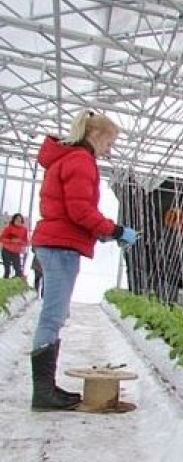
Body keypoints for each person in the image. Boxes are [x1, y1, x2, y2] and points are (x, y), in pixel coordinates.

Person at [30, 109, 139, 410]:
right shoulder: (81, 161)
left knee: (55, 314)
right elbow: (79, 211)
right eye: (110, 141)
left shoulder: (68, 158)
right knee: (53, 316)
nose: (110, 148)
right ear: (95, 135)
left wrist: (104, 233)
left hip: (57, 241)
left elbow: (71, 211)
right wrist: (115, 230)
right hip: (60, 245)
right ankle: (43, 392)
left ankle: (46, 388)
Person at [2, 212, 29, 279]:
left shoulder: (24, 230)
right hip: (6, 251)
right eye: (16, 219)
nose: (18, 221)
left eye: (20, 219)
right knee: (7, 270)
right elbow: (1, 238)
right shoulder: (8, 228)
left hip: (16, 252)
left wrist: (20, 241)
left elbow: (26, 242)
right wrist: (11, 240)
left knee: (18, 271)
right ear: (13, 220)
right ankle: (4, 285)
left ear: (22, 221)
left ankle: (14, 284)